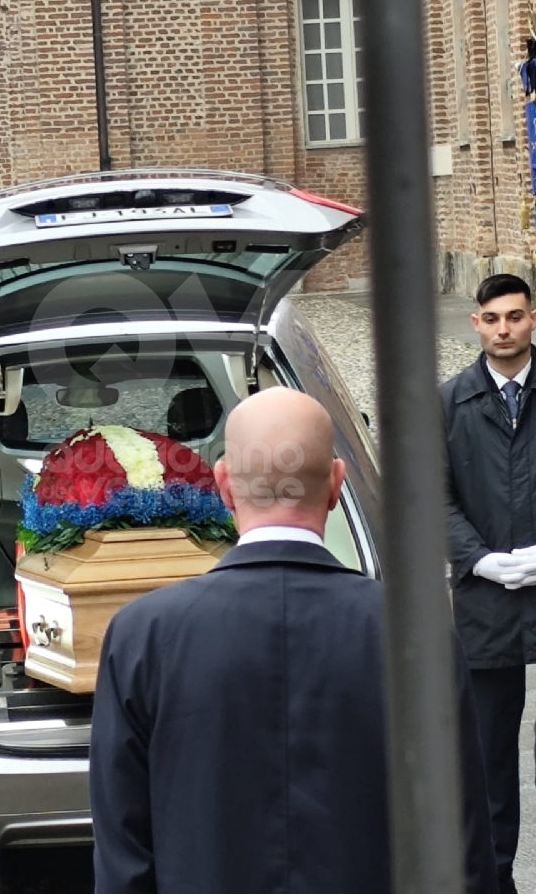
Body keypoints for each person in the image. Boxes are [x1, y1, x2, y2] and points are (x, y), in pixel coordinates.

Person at [90, 387, 496, 894]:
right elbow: (461, 841)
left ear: (223, 484)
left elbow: (124, 853)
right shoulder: (415, 634)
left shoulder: (141, 634)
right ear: (335, 482)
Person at [442, 273, 536, 894]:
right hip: (485, 602)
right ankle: (495, 879)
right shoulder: (448, 402)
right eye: (493, 318)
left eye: (516, 316)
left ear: (533, 319)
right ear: (475, 323)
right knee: (490, 756)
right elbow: (431, 492)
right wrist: (477, 559)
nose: (504, 329)